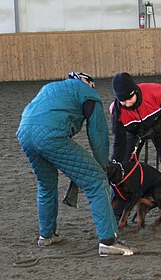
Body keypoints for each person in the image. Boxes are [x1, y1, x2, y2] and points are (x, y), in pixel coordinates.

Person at [16, 72, 134, 257]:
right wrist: (102, 165)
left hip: (24, 132)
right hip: (50, 135)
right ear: (87, 82)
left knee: (46, 185)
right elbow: (98, 134)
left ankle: (46, 236)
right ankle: (108, 242)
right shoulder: (89, 94)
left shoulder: (50, 87)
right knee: (96, 181)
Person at [109, 72, 161, 225]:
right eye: (123, 101)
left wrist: (156, 128)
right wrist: (116, 163)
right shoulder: (117, 111)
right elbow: (119, 142)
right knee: (122, 171)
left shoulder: (154, 92)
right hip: (133, 132)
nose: (127, 104)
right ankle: (116, 214)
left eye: (129, 99)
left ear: (135, 91)